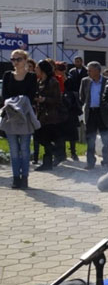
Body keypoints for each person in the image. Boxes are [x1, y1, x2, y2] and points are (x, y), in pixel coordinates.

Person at [1, 49, 39, 188]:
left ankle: (25, 177)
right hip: (10, 116)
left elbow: (30, 95)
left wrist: (18, 102)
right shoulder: (7, 75)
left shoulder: (31, 76)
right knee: (13, 150)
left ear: (25, 60)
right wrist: (15, 103)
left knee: (24, 149)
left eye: (18, 59)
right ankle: (16, 177)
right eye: (13, 59)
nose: (15, 62)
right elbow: (5, 95)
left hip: (25, 117)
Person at [33, 60, 67, 171]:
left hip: (51, 116)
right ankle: (56, 153)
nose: (35, 69)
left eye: (37, 67)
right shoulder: (39, 81)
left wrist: (44, 99)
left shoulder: (53, 82)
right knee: (39, 137)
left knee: (45, 138)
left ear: (43, 70)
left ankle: (48, 162)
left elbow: (57, 99)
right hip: (41, 115)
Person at [79, 62, 108, 169]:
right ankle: (90, 162)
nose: (88, 72)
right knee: (90, 139)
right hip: (91, 113)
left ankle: (106, 160)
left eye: (90, 70)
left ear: (97, 71)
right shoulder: (85, 81)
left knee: (106, 138)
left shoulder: (107, 81)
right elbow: (82, 97)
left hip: (103, 113)